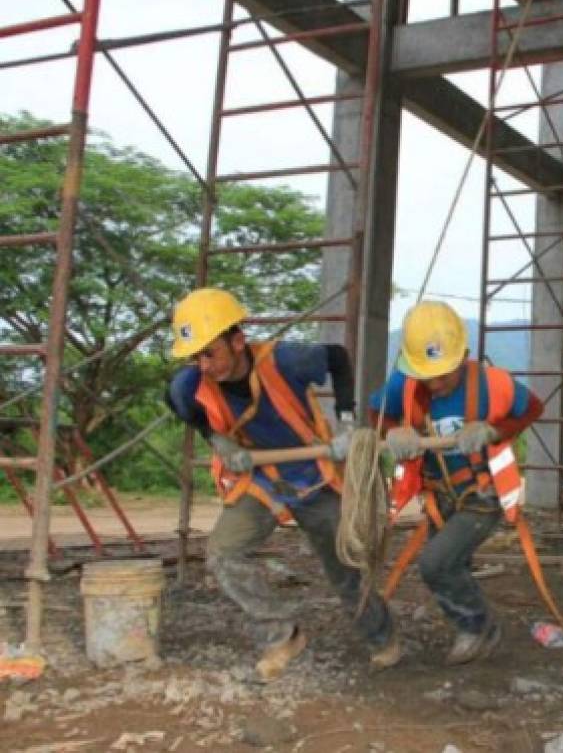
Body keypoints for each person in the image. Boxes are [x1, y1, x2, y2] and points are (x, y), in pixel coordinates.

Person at [165, 287, 400, 682]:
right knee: (223, 554)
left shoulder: (284, 359)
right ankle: (282, 634)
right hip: (260, 478)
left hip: (310, 472)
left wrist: (345, 422)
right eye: (195, 356)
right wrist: (217, 439)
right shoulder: (189, 384)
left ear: (238, 341)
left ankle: (381, 637)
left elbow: (337, 358)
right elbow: (175, 401)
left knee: (344, 566)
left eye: (210, 353)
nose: (202, 364)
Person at [369, 300, 543, 666]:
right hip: (438, 495)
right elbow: (377, 413)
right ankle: (469, 620)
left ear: (463, 355)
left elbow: (532, 408)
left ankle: (478, 626)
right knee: (449, 564)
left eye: (444, 374)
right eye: (426, 374)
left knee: (434, 563)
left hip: (481, 492)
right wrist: (393, 429)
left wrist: (495, 430)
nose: (435, 383)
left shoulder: (493, 384)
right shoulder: (404, 383)